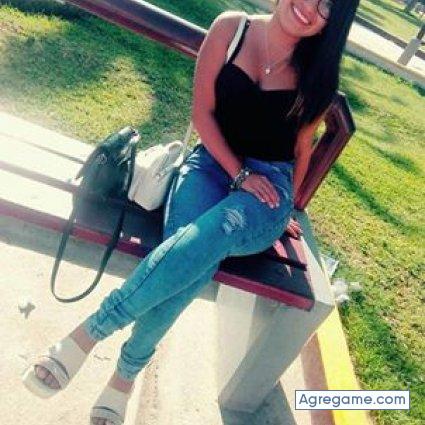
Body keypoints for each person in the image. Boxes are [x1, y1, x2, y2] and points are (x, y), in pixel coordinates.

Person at [21, 0, 360, 424]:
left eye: (328, 7)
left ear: (333, 24)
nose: (310, 9)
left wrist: (287, 205)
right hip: (210, 165)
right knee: (190, 256)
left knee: (212, 234)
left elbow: (302, 148)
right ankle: (125, 376)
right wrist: (237, 174)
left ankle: (88, 334)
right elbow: (202, 113)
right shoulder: (231, 29)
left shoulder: (316, 76)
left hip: (267, 190)